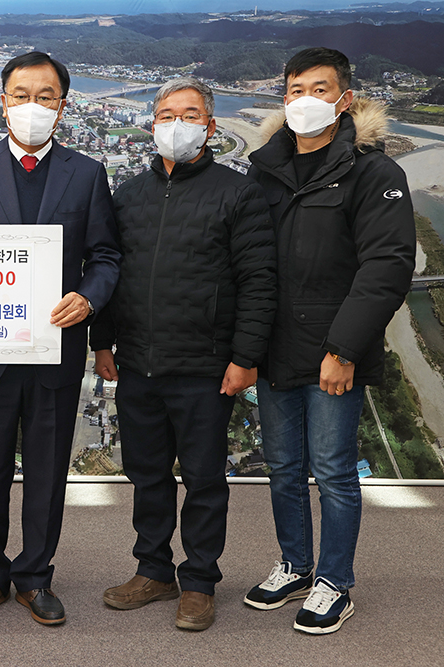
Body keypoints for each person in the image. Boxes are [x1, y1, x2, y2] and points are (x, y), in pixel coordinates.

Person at [0, 51, 120, 626]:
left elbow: (107, 255)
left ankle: (36, 575)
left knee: (46, 471)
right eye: (21, 95)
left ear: (62, 107)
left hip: (56, 350)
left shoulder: (87, 172)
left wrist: (89, 297)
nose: (32, 106)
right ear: (3, 100)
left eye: (46, 96)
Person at [92, 77, 277, 632]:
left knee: (202, 478)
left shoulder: (238, 193)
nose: (177, 123)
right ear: (152, 125)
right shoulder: (127, 195)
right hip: (138, 363)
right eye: (166, 114)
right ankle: (153, 571)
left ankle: (198, 580)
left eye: (189, 114)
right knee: (146, 474)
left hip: (205, 364)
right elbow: (105, 269)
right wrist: (103, 342)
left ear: (210, 126)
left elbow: (259, 281)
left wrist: (245, 357)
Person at [243, 47, 415, 634]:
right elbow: (246, 259)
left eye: (319, 89)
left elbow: (387, 267)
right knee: (284, 467)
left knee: (335, 470)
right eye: (294, 90)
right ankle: (294, 563)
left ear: (344, 99)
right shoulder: (263, 168)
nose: (304, 100)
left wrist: (343, 350)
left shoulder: (374, 172)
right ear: (283, 97)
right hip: (273, 348)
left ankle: (334, 580)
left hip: (332, 354)